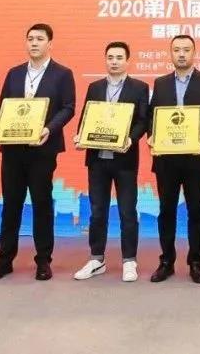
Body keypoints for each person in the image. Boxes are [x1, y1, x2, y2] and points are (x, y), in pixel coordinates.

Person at [0, 23, 75, 281]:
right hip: (12, 149)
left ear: (50, 44)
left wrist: (49, 129)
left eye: (40, 39)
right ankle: (4, 260)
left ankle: (43, 260)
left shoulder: (62, 74)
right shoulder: (14, 73)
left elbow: (68, 107)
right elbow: (3, 106)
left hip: (42, 149)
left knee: (41, 204)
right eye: (30, 38)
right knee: (10, 204)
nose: (34, 43)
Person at [147, 35, 200, 284]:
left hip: (194, 157)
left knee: (196, 210)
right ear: (171, 53)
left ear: (194, 53)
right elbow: (152, 115)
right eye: (177, 50)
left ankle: (196, 262)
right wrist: (152, 135)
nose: (181, 54)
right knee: (166, 210)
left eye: (186, 50)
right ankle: (166, 261)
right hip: (166, 158)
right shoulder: (160, 83)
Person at [71, 42, 149, 282]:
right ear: (105, 59)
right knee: (97, 211)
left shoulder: (139, 87)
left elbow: (143, 120)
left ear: (128, 61)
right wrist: (80, 136)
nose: (114, 61)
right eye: (110, 57)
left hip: (125, 159)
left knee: (127, 211)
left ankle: (129, 260)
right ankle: (97, 259)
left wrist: (130, 139)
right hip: (97, 159)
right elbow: (86, 116)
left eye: (119, 57)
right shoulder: (95, 87)